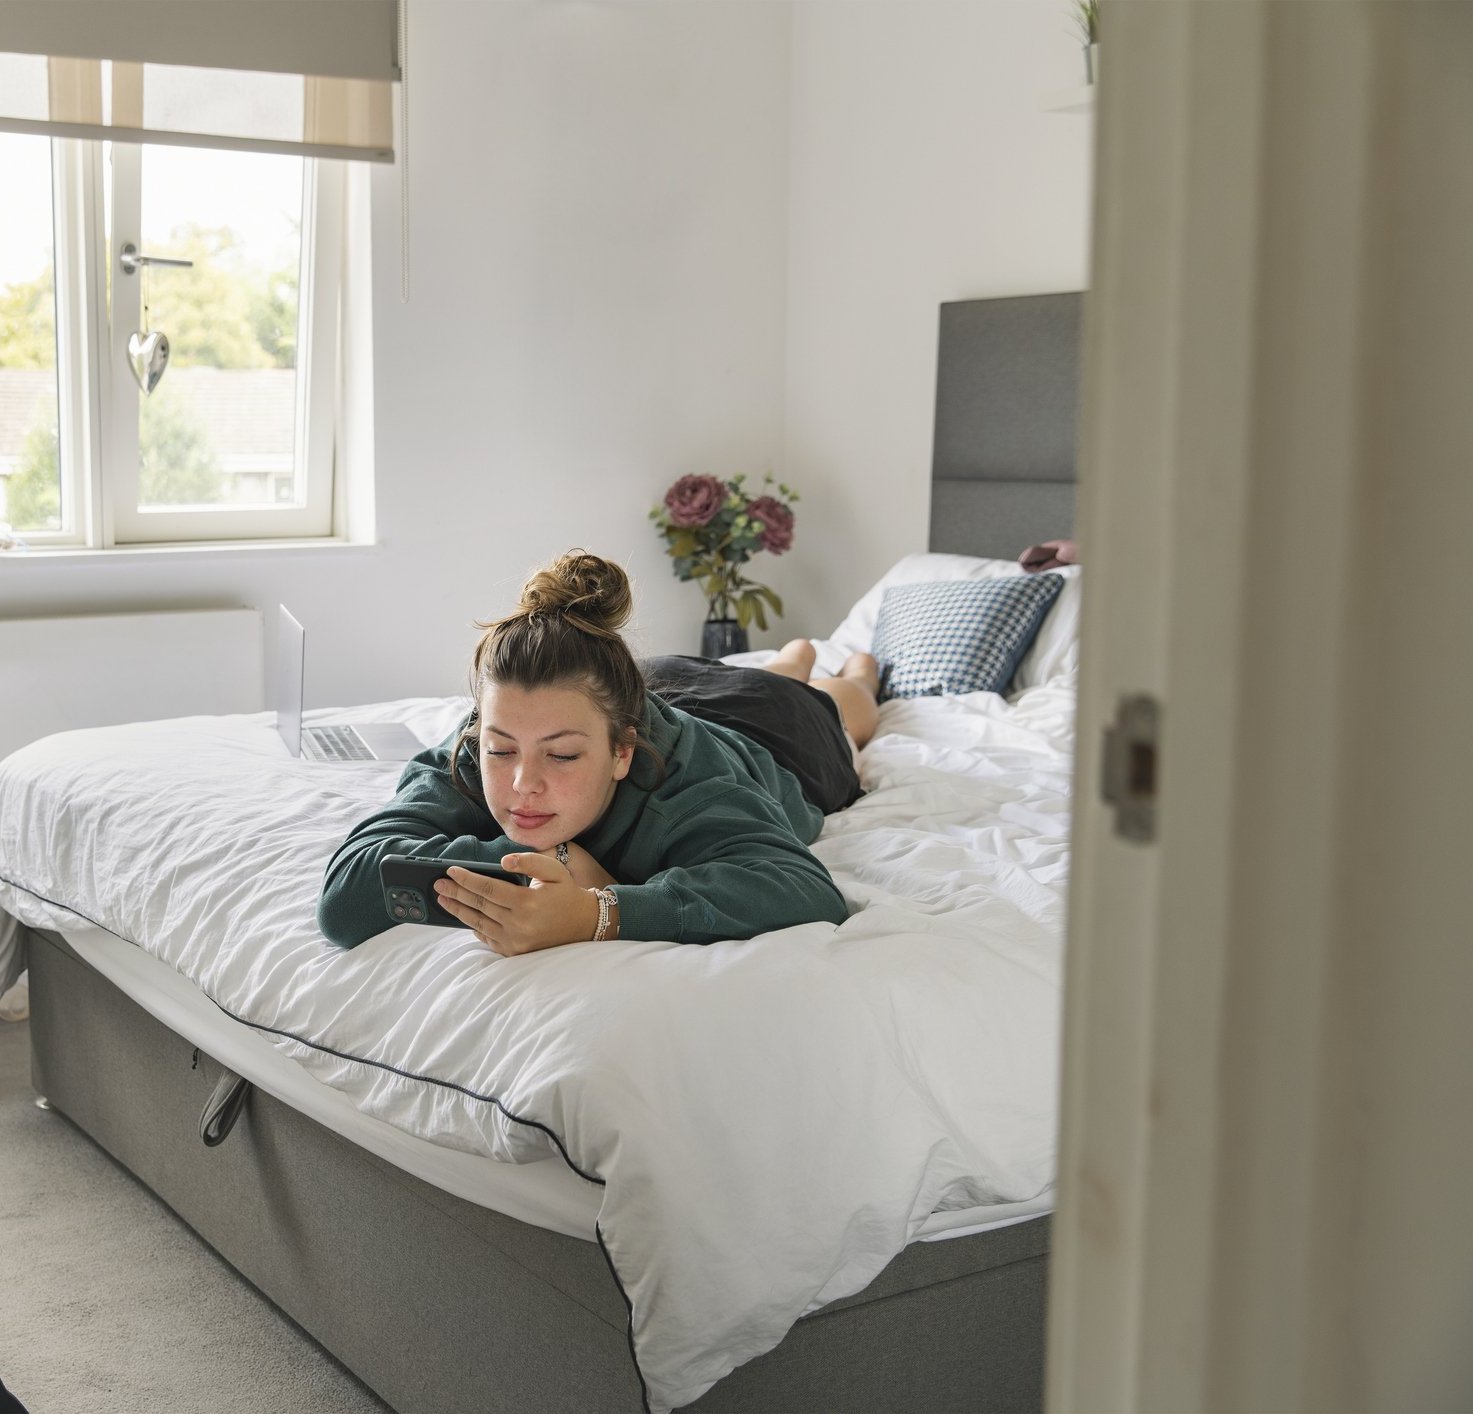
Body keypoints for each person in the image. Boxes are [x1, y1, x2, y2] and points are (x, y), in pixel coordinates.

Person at [316, 550, 882, 955]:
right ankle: (792, 657)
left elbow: (805, 891)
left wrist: (598, 912)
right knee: (781, 664)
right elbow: (345, 899)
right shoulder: (482, 742)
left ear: (622, 753)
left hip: (779, 732)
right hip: (666, 683)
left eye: (561, 756)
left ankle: (841, 667)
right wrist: (558, 857)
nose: (523, 784)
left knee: (848, 699)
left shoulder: (692, 791)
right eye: (501, 750)